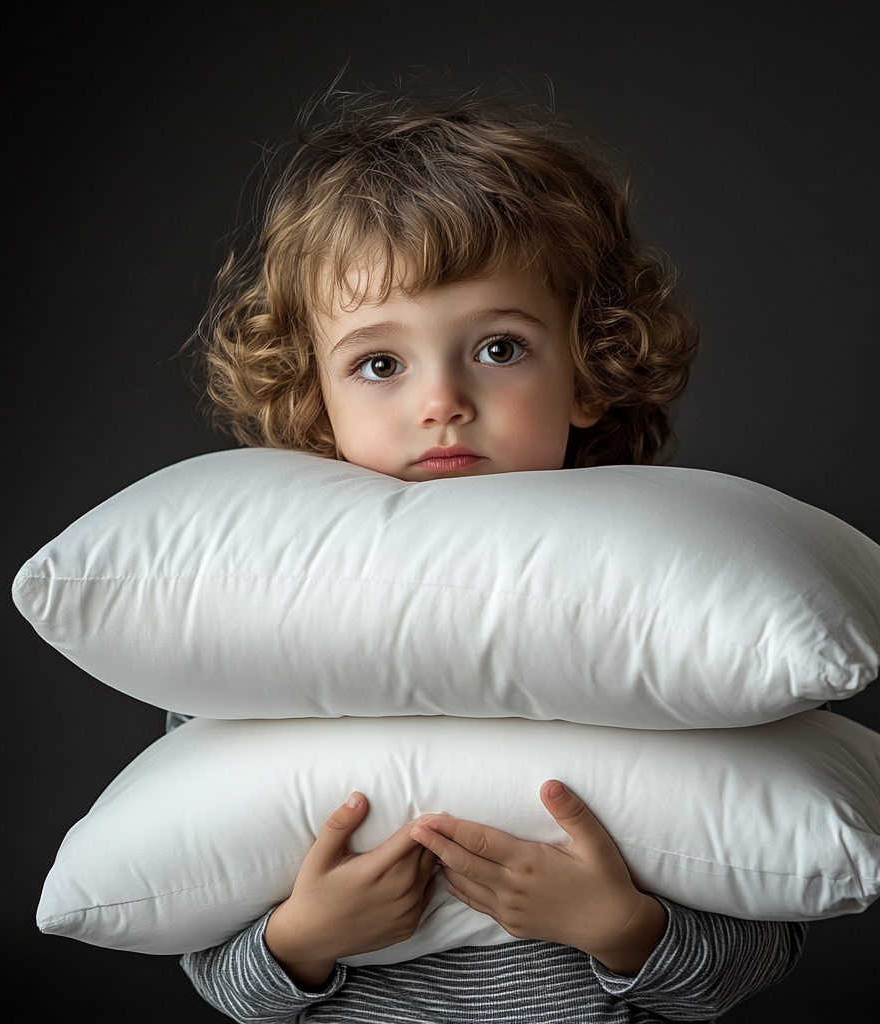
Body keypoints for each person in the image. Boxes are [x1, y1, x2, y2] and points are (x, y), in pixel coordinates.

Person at [178, 89, 806, 1022]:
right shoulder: (249, 610)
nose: (442, 400)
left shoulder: (670, 602)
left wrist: (623, 928)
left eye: (500, 346)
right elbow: (215, 962)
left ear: (589, 368)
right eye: (380, 363)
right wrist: (302, 941)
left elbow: (764, 935)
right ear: (316, 396)